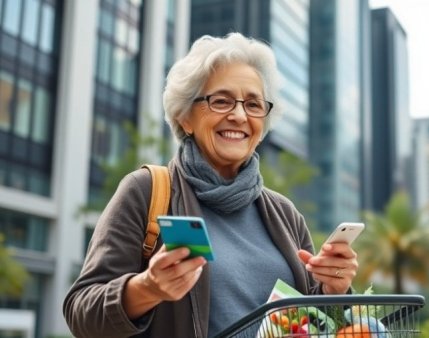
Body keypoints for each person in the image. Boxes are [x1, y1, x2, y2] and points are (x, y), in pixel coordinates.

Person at [63, 32, 359, 338]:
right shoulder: (146, 190)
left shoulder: (285, 214)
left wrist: (334, 287)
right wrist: (147, 288)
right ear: (185, 118)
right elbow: (81, 312)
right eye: (221, 101)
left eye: (254, 104)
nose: (239, 115)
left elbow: (318, 325)